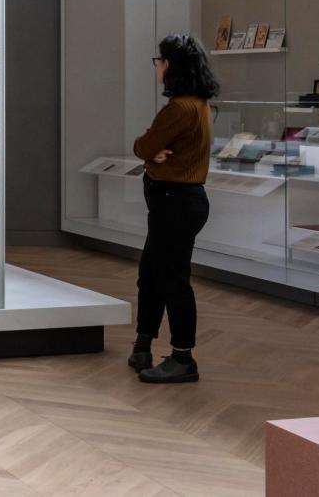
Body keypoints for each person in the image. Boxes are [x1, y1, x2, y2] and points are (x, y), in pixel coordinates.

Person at [129, 34, 219, 384]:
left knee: (171, 280)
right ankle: (143, 344)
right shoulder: (195, 104)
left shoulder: (180, 108)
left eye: (159, 61)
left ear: (170, 66)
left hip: (175, 202)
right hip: (176, 202)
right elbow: (154, 148)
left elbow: (143, 145)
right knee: (152, 274)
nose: (157, 67)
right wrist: (154, 151)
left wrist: (150, 149)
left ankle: (183, 357)